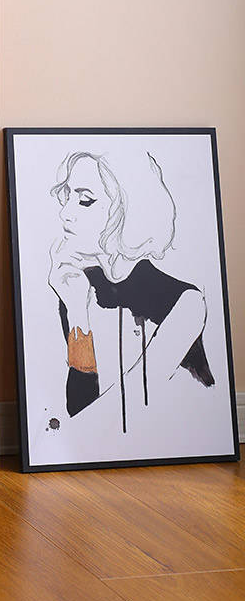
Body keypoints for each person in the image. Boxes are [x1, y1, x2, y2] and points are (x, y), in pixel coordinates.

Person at [47, 150, 214, 431]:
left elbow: (120, 415)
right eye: (67, 199)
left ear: (125, 212)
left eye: (85, 200)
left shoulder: (187, 303)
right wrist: (76, 311)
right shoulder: (78, 288)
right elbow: (79, 411)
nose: (65, 214)